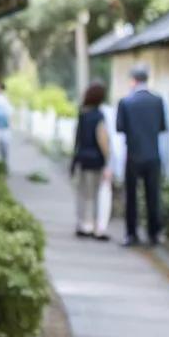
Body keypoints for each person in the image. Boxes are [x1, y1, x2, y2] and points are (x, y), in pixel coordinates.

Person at [115, 64, 168, 247]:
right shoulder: (158, 101)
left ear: (133, 81)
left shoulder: (125, 102)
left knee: (131, 196)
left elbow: (120, 127)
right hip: (153, 155)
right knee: (153, 196)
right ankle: (154, 234)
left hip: (133, 155)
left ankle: (131, 234)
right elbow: (162, 127)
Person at [71, 81, 112, 239]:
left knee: (82, 193)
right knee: (95, 195)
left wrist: (74, 161)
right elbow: (102, 139)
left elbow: (77, 139)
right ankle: (96, 227)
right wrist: (108, 159)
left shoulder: (82, 114)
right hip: (96, 160)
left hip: (82, 159)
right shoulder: (99, 116)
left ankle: (82, 224)